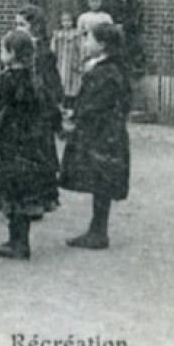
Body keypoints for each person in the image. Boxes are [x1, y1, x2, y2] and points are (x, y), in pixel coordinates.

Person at [0, 30, 61, 260]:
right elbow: (49, 109)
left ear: (13, 53)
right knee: (24, 196)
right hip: (33, 146)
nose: (0, 53)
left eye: (4, 50)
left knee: (13, 192)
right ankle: (18, 240)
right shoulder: (35, 79)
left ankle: (17, 244)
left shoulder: (7, 79)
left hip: (11, 144)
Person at [61, 23, 131, 250]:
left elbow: (95, 104)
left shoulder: (104, 72)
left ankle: (98, 232)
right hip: (109, 131)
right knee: (102, 179)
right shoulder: (113, 68)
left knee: (101, 179)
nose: (84, 43)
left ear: (101, 45)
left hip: (102, 134)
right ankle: (97, 229)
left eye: (88, 39)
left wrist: (76, 116)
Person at [50, 12, 82, 104]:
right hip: (61, 61)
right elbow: (53, 48)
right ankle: (62, 101)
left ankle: (72, 102)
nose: (66, 23)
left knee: (73, 82)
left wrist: (79, 60)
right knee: (61, 79)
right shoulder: (57, 34)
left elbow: (80, 47)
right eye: (64, 21)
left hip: (72, 61)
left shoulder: (76, 34)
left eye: (69, 21)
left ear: (72, 22)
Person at [76, 0, 114, 64]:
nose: (94, 3)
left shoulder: (106, 17)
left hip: (102, 47)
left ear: (101, 2)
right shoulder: (83, 17)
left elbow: (111, 33)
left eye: (96, 1)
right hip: (87, 47)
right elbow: (79, 34)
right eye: (92, 1)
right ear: (88, 2)